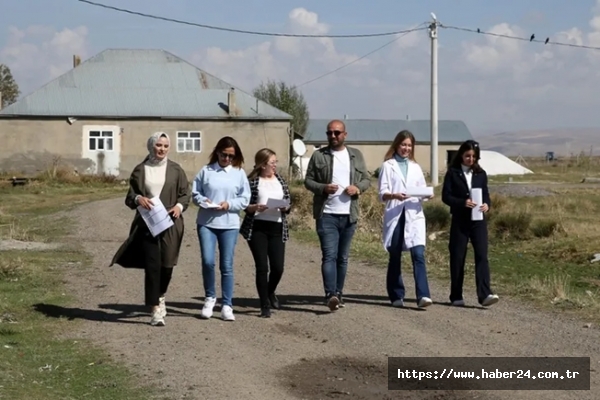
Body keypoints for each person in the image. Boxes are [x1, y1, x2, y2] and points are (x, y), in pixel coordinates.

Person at [110, 132, 190, 327]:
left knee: (168, 264)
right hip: (148, 223)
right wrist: (138, 199)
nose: (161, 149)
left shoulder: (176, 170)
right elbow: (130, 196)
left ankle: (161, 295)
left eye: (165, 146)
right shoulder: (140, 170)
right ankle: (155, 309)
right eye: (158, 145)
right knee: (153, 265)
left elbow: (185, 194)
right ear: (151, 146)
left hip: (171, 222)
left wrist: (179, 207)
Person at [304, 119, 371, 311]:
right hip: (327, 215)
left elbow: (366, 180)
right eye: (329, 133)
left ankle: (339, 293)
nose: (333, 136)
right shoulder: (319, 156)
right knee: (329, 256)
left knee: (342, 258)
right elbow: (308, 181)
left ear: (345, 135)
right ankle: (330, 294)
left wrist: (357, 188)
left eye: (337, 133)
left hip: (349, 216)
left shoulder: (355, 155)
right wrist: (323, 188)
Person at [191, 136, 251, 321]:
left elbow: (245, 198)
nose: (227, 159)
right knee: (208, 261)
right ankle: (210, 297)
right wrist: (203, 200)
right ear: (217, 152)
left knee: (227, 265)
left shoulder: (239, 173)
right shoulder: (206, 171)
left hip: (229, 223)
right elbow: (195, 193)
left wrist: (229, 204)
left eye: (231, 156)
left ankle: (227, 304)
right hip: (207, 222)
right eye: (224, 155)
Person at [378, 130, 433, 308]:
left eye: (409, 145)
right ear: (396, 145)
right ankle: (396, 294)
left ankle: (423, 295)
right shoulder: (388, 166)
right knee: (395, 255)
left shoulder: (415, 167)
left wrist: (427, 195)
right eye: (403, 145)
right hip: (396, 214)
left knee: (418, 254)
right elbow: (382, 193)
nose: (406, 148)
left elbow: (421, 189)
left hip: (413, 215)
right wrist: (394, 195)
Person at [441, 139, 499, 307]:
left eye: (474, 156)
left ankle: (485, 294)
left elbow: (486, 194)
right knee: (458, 257)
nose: (470, 159)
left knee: (482, 256)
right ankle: (456, 295)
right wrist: (462, 202)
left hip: (478, 221)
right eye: (467, 156)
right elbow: (446, 197)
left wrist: (487, 204)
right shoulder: (452, 173)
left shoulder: (481, 174)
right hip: (460, 221)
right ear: (461, 155)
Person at [240, 148, 292, 318]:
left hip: (277, 227)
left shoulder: (281, 181)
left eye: (276, 162)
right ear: (262, 165)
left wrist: (286, 207)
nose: (275, 166)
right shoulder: (253, 182)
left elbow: (288, 202)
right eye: (272, 163)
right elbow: (244, 205)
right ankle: (264, 305)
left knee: (278, 268)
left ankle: (270, 292)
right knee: (262, 267)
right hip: (257, 228)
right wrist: (253, 208)